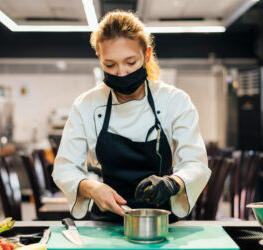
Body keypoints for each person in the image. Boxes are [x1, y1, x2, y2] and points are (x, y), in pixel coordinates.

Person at [52, 10, 211, 222]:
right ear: (100, 59)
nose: (121, 72)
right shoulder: (87, 105)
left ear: (146, 55)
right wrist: (91, 188)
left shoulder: (175, 101)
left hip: (162, 222)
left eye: (130, 62)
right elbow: (64, 168)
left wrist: (172, 183)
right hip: (106, 223)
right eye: (110, 65)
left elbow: (196, 164)